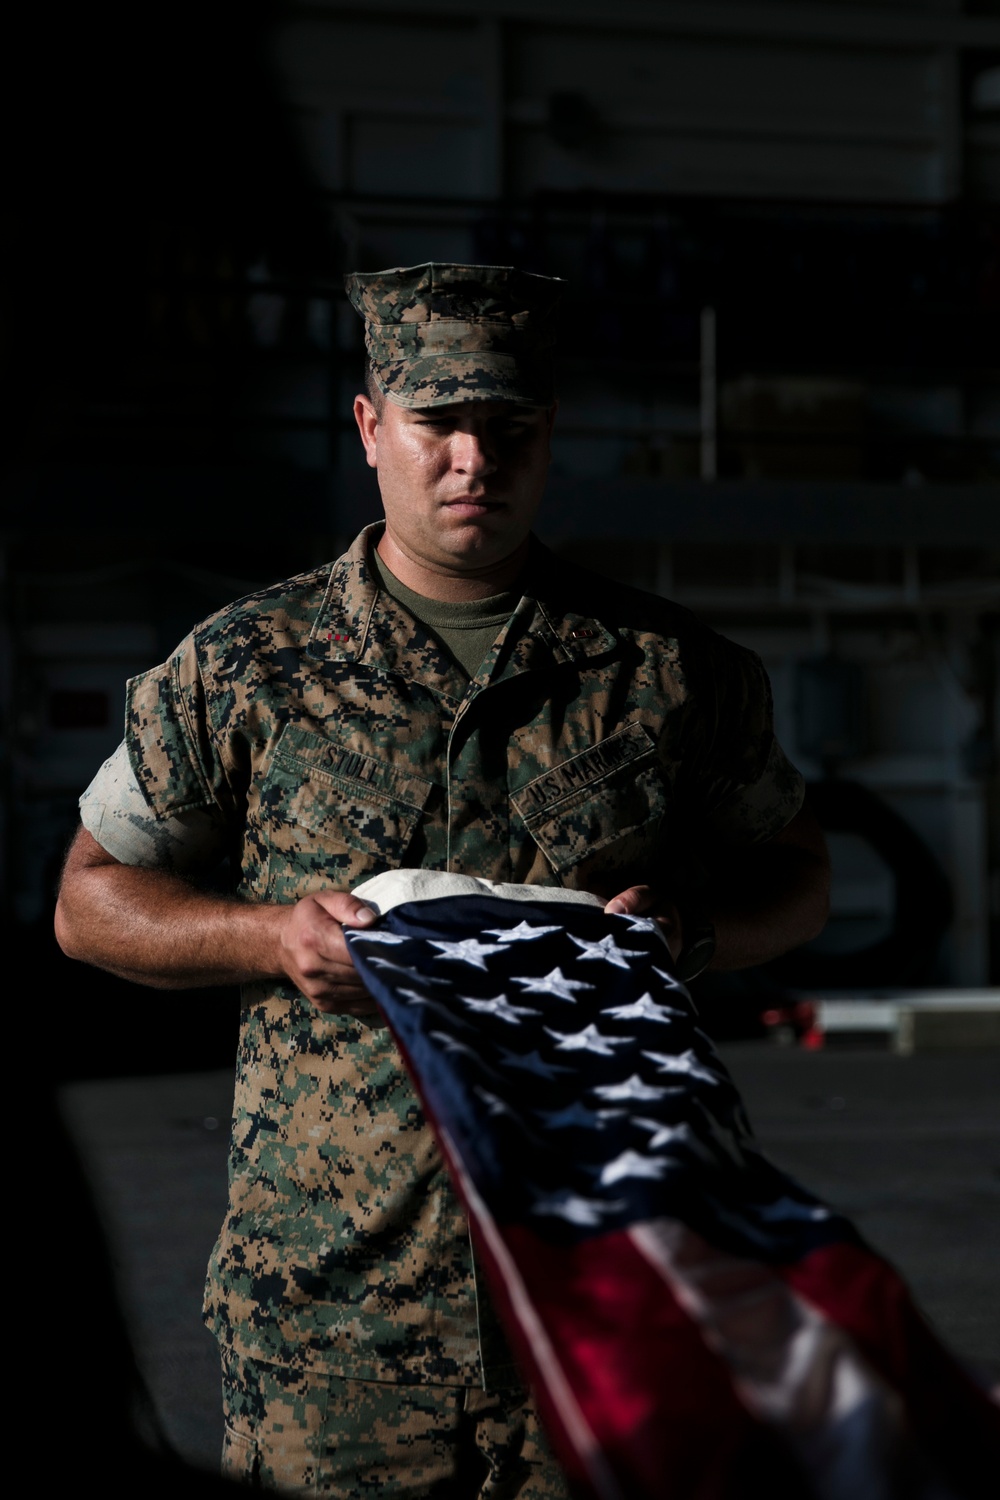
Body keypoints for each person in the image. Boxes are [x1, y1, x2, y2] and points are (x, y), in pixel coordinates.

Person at [55, 261, 830, 1498]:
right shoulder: (247, 667)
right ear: (371, 428)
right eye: (437, 423)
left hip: (601, 1298)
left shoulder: (673, 674)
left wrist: (693, 929)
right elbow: (88, 902)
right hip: (333, 1320)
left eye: (507, 428)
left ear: (548, 437)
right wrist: (271, 940)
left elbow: (798, 873)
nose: (473, 458)